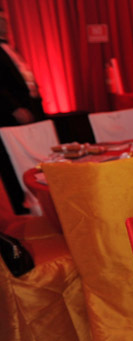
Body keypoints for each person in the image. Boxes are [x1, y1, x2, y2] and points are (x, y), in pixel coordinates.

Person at [0, 10, 45, 214]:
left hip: (28, 109)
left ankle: (39, 202)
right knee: (12, 161)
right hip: (9, 116)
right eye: (1, 21)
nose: (5, 24)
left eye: (5, 20)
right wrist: (14, 107)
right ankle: (22, 208)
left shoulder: (11, 48)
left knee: (34, 157)